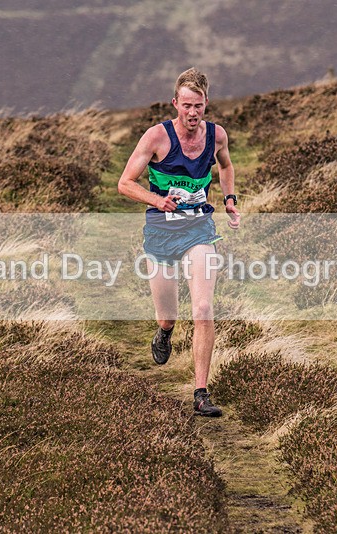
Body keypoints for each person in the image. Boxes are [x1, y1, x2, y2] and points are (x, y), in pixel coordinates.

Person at [117, 67, 240, 417]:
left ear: (206, 103)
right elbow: (125, 183)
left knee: (202, 309)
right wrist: (157, 200)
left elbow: (226, 167)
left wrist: (230, 199)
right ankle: (164, 332)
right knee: (168, 316)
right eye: (186, 105)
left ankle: (201, 393)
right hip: (161, 234)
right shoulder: (156, 137)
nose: (192, 112)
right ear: (175, 103)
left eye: (198, 106)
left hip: (199, 230)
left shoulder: (216, 136)